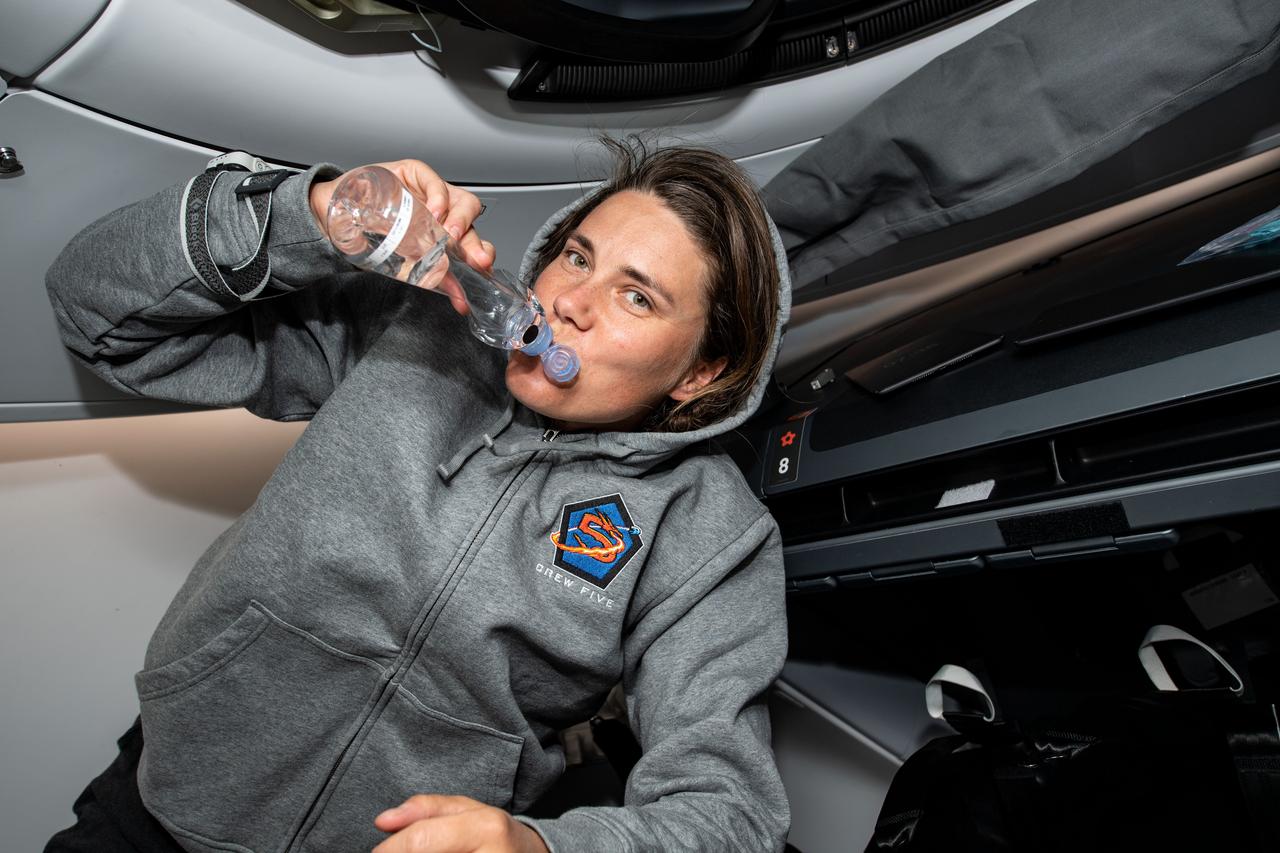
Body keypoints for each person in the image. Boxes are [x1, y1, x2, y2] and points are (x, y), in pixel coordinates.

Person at [43, 137, 793, 853]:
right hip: (168, 797)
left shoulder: (711, 531)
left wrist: (542, 844)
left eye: (636, 297)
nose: (570, 301)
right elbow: (96, 316)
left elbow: (732, 813)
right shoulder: (414, 325)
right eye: (577, 256)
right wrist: (311, 217)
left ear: (700, 371)